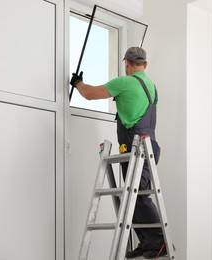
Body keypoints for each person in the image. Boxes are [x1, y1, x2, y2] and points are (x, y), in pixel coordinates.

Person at [70, 47, 166, 259]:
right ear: (145, 64)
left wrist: (77, 83)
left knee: (138, 197)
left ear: (127, 64)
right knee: (135, 197)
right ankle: (148, 242)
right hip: (150, 146)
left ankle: (159, 242)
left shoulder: (125, 82)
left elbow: (89, 94)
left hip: (136, 148)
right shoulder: (152, 86)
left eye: (126, 65)